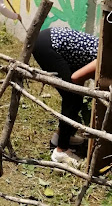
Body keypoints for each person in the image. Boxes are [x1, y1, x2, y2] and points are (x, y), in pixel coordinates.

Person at [32, 27, 98, 167]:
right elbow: (76, 78)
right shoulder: (107, 57)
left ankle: (60, 137)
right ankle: (61, 151)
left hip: (50, 41)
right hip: (48, 45)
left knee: (74, 98)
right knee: (73, 98)